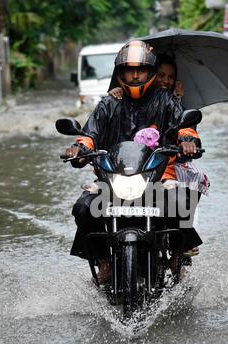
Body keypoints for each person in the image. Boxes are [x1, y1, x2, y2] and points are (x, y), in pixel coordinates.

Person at [63, 40, 202, 282]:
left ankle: (178, 255)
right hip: (113, 181)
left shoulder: (167, 101)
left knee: (183, 200)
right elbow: (90, 135)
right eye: (130, 70)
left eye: (141, 70)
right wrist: (78, 148)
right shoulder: (109, 103)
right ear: (120, 73)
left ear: (151, 73)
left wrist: (189, 141)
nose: (135, 75)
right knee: (84, 208)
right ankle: (103, 260)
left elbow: (184, 128)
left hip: (154, 180)